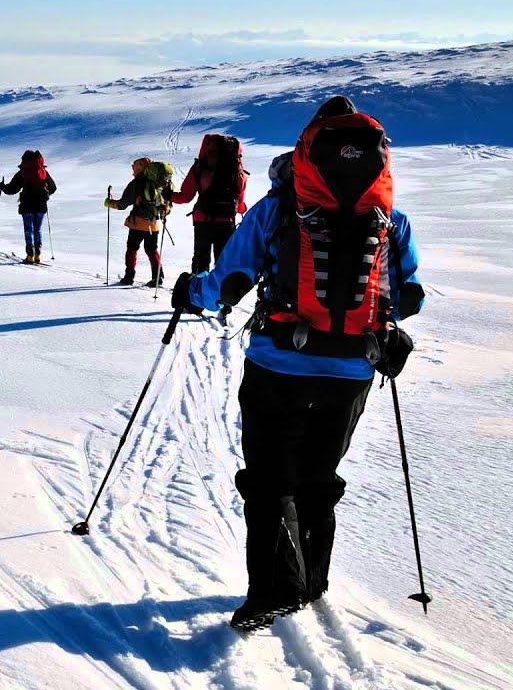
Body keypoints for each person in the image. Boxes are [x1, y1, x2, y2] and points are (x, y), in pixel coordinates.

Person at [170, 96, 425, 632]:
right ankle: (311, 583)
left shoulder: (277, 209)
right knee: (317, 476)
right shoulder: (390, 218)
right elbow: (406, 298)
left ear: (307, 146)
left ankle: (273, 591)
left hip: (278, 364)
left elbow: (227, 283)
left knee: (268, 479)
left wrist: (190, 291)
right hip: (353, 369)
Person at [169, 134, 249, 274]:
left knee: (201, 261)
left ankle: (199, 286)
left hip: (203, 220)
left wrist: (169, 196)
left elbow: (186, 197)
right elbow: (239, 201)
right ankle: (220, 287)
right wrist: (241, 209)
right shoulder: (237, 170)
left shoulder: (201, 167)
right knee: (224, 263)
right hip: (227, 221)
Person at [104, 157, 172, 286]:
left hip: (137, 223)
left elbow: (122, 204)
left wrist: (108, 202)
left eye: (134, 167)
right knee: (152, 250)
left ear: (139, 168)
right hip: (153, 224)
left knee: (132, 249)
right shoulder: (158, 184)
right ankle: (157, 277)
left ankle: (129, 277)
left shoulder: (136, 184)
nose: (133, 170)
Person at [0, 150, 57, 264]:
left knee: (28, 229)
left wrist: (2, 187)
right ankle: (38, 255)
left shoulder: (23, 172)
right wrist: (44, 195)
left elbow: (12, 189)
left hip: (27, 205)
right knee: (37, 229)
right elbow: (53, 188)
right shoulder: (43, 172)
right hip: (41, 205)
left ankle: (30, 255)